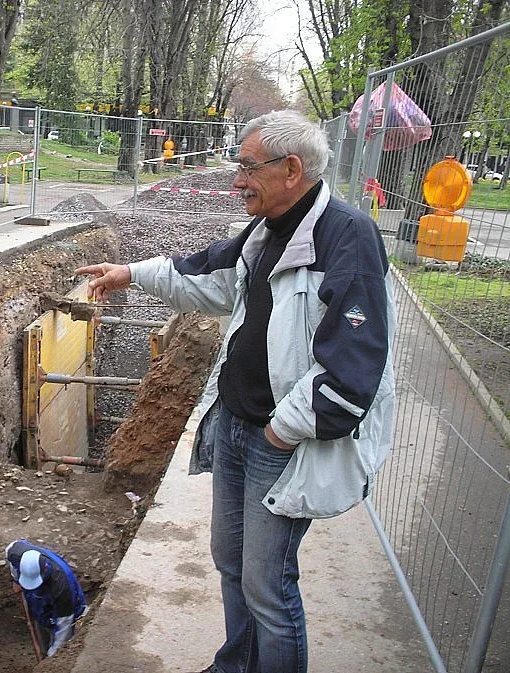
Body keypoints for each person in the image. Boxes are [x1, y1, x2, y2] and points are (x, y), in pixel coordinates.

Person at [75, 109, 395, 673]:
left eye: (247, 167)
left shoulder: (347, 237)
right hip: (235, 426)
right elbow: (209, 274)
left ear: (291, 168)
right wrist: (131, 272)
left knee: (268, 587)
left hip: (280, 443)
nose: (236, 179)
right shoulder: (268, 228)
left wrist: (280, 431)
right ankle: (235, 666)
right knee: (231, 563)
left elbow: (354, 369)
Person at [4, 539, 87, 658]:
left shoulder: (62, 587)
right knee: (42, 630)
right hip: (39, 605)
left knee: (59, 642)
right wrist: (16, 580)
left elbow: (64, 626)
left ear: (44, 573)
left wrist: (53, 658)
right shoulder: (15, 552)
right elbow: (10, 555)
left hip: (65, 612)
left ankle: (47, 656)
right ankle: (43, 652)